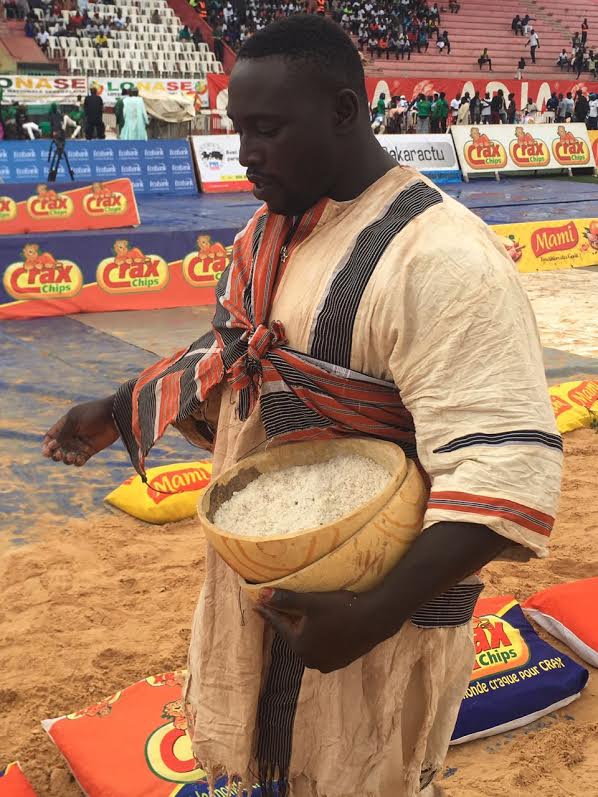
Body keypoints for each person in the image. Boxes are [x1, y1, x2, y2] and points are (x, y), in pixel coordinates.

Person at [43, 17, 563, 797]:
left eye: (267, 129)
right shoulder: (267, 234)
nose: (244, 152)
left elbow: (503, 471)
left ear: (344, 111)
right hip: (267, 594)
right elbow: (240, 350)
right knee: (274, 770)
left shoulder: (445, 260)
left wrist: (373, 612)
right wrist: (121, 408)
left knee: (365, 772)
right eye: (237, 129)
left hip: (377, 623)